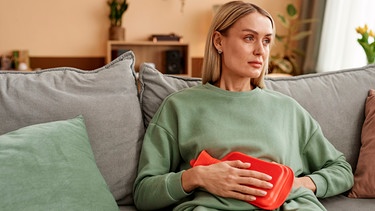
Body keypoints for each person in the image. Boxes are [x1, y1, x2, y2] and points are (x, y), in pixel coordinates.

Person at [133, 1, 354, 210]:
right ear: (219, 41)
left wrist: (297, 183)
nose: (261, 50)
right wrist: (197, 177)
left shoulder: (288, 109)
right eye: (249, 38)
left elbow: (342, 170)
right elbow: (144, 193)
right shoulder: (179, 107)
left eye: (266, 41)